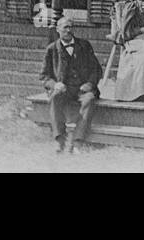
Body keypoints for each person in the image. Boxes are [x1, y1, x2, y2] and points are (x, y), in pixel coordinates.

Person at [40, 15, 102, 153]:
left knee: (90, 99)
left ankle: (78, 141)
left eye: (70, 27)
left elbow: (96, 69)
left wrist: (90, 84)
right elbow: (44, 76)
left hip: (82, 89)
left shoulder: (84, 45)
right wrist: (55, 84)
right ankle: (59, 140)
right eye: (65, 27)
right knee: (55, 97)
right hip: (64, 89)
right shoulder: (51, 49)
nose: (68, 30)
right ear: (58, 30)